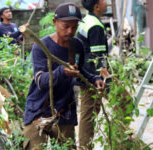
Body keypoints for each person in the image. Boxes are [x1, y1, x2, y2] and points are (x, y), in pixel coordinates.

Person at [23, 3, 105, 150]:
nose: (70, 31)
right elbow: (41, 81)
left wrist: (94, 79)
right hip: (39, 109)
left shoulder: (76, 45)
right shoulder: (42, 46)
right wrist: (62, 71)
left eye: (74, 27)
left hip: (64, 111)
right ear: (55, 22)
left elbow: (78, 72)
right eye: (65, 26)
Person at [77, 0, 110, 149]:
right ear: (97, 6)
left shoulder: (86, 19)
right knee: (123, 102)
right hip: (93, 76)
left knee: (87, 113)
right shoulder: (95, 26)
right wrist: (104, 75)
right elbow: (98, 56)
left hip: (85, 71)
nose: (107, 2)